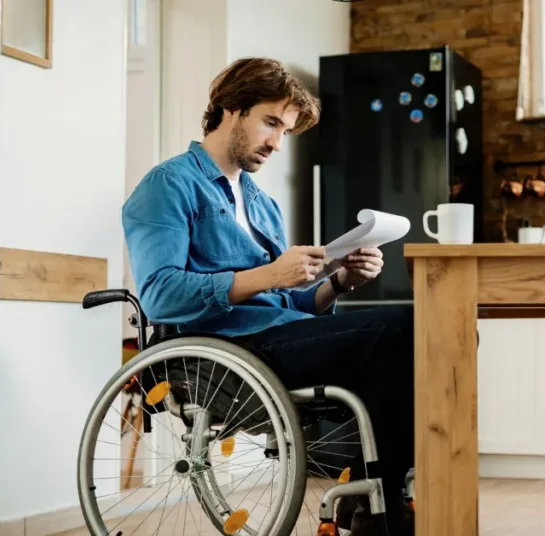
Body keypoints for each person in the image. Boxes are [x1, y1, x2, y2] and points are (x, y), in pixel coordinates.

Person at [122, 57, 414, 535]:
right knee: (404, 331)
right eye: (271, 123)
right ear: (231, 109)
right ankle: (377, 509)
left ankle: (379, 495)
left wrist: (339, 283)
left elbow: (285, 304)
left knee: (435, 332)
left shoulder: (261, 202)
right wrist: (268, 275)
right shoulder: (169, 184)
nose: (277, 143)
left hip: (278, 339)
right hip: (224, 354)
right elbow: (159, 295)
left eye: (286, 130)